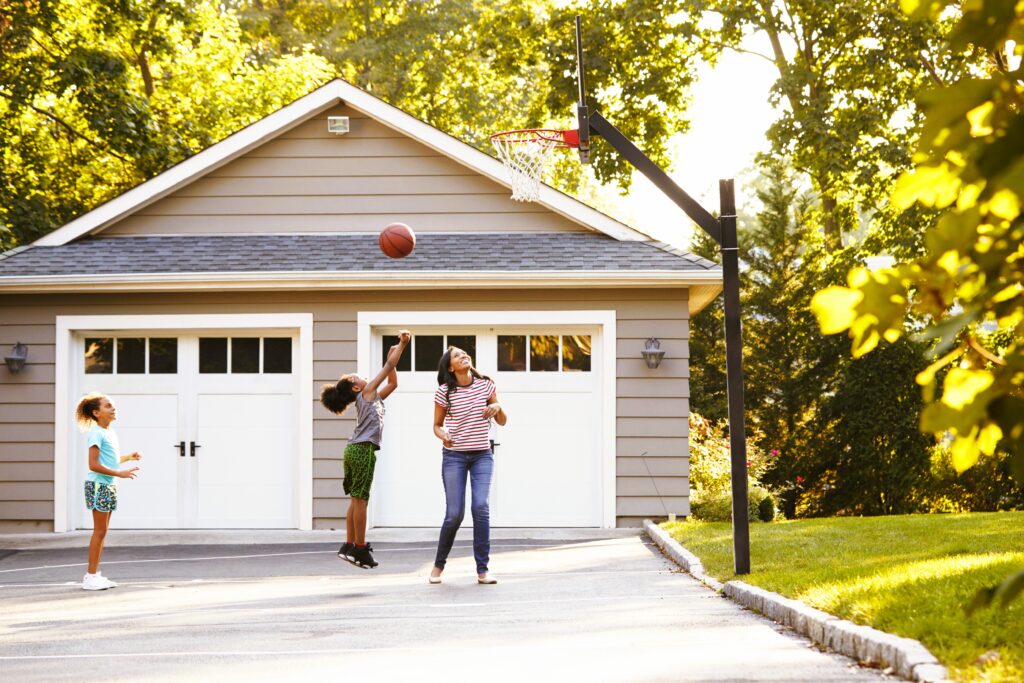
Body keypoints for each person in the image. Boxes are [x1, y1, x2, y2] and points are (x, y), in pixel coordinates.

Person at [321, 330, 411, 569]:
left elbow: (393, 382)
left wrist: (393, 354)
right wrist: (401, 346)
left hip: (353, 449)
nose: (362, 378)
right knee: (361, 500)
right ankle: (360, 549)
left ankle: (349, 544)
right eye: (357, 377)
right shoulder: (368, 392)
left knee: (355, 499)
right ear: (355, 388)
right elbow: (388, 366)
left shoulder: (373, 397)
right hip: (361, 450)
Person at [429, 346, 507, 585]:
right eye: (457, 355)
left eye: (465, 353)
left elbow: (502, 421)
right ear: (450, 367)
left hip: (482, 454)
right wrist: (443, 435)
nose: (464, 356)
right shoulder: (444, 392)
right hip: (454, 457)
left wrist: (498, 407)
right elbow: (436, 425)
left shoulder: (486, 385)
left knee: (480, 507)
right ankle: (439, 565)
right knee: (454, 514)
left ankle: (483, 570)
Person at [76, 393, 141, 591]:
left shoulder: (109, 432)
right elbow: (93, 464)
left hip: (108, 485)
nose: (113, 409)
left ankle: (95, 574)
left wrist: (128, 457)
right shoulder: (96, 433)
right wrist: (119, 474)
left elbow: (109, 461)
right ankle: (90, 576)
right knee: (99, 531)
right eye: (108, 406)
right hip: (99, 486)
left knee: (103, 532)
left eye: (113, 406)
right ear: (96, 413)